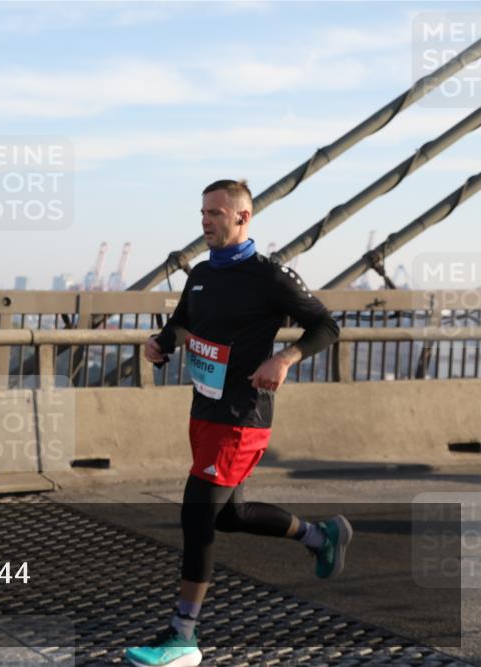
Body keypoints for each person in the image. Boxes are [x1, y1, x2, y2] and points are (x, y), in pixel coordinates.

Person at [125, 180, 351, 667]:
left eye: (215, 213)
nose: (205, 221)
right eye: (203, 212)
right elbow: (184, 323)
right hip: (204, 410)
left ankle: (183, 635)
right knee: (230, 516)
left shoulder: (268, 276)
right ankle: (321, 536)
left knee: (197, 514)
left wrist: (286, 359)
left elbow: (326, 325)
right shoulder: (202, 273)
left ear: (243, 218)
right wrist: (160, 345)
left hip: (241, 417)